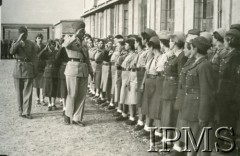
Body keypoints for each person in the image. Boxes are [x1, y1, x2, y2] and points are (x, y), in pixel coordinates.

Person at [178, 36, 215, 156]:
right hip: (190, 107)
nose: (190, 49)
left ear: (195, 49)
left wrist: (203, 115)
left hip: (197, 109)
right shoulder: (196, 62)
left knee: (197, 143)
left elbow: (206, 92)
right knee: (191, 142)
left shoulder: (204, 65)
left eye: (192, 47)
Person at [64, 21, 93, 126]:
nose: (83, 32)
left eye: (84, 30)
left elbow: (87, 58)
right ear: (76, 31)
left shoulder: (84, 43)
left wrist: (91, 71)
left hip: (83, 69)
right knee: (72, 94)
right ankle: (67, 115)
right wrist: (75, 36)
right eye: (81, 30)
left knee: (81, 95)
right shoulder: (69, 39)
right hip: (72, 68)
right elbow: (65, 45)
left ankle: (77, 118)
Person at [10, 26, 38, 119]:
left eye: (25, 33)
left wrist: (35, 69)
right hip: (18, 69)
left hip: (28, 68)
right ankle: (20, 110)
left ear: (27, 34)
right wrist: (18, 41)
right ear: (19, 34)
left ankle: (26, 112)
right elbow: (11, 51)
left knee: (28, 92)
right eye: (22, 33)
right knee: (19, 92)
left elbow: (35, 57)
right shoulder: (15, 43)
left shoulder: (31, 43)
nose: (24, 35)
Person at [134, 28, 158, 131]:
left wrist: (143, 82)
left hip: (145, 75)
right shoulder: (146, 50)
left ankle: (146, 124)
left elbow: (147, 68)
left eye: (143, 38)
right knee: (141, 100)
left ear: (146, 39)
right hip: (140, 74)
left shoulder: (150, 51)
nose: (141, 40)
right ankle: (141, 121)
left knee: (146, 101)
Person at [39, 40, 59, 111]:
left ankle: (53, 103)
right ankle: (50, 103)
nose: (52, 46)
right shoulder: (45, 53)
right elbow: (38, 56)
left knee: (54, 88)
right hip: (47, 72)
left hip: (55, 72)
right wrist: (44, 49)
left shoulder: (57, 52)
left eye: (53, 44)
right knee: (49, 88)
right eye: (50, 44)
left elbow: (59, 59)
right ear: (48, 45)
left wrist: (58, 49)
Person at [56, 37, 69, 116]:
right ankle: (64, 107)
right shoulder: (62, 49)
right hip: (64, 69)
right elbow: (57, 58)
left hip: (71, 68)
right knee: (64, 89)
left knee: (69, 89)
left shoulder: (72, 49)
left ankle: (68, 107)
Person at [33, 33, 46, 106]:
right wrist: (43, 50)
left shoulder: (44, 46)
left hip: (43, 66)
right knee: (36, 83)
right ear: (36, 39)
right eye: (38, 38)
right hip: (36, 67)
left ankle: (42, 99)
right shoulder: (34, 47)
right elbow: (36, 56)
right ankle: (37, 98)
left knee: (43, 83)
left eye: (41, 38)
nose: (40, 39)